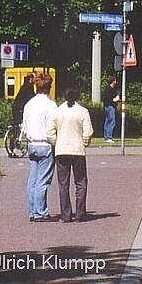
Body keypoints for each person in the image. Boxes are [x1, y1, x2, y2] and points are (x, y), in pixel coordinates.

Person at [47, 88, 93, 222]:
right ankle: (80, 213)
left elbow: (49, 132)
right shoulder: (83, 111)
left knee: (63, 183)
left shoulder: (57, 111)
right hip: (77, 150)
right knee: (81, 182)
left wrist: (57, 143)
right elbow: (88, 132)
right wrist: (84, 143)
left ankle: (66, 215)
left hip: (61, 150)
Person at [22, 72, 57, 221]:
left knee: (33, 179)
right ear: (49, 87)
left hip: (32, 144)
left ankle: (32, 211)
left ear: (36, 86)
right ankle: (41, 212)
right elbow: (54, 126)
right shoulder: (51, 105)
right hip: (45, 144)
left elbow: (24, 126)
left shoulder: (29, 104)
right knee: (43, 180)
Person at [101, 75, 119, 143]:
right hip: (109, 106)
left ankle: (106, 137)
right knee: (112, 121)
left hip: (108, 106)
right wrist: (114, 100)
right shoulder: (109, 89)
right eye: (115, 80)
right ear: (113, 81)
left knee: (107, 121)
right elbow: (106, 98)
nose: (116, 81)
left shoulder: (111, 89)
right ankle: (109, 137)